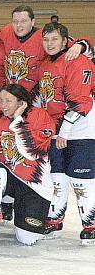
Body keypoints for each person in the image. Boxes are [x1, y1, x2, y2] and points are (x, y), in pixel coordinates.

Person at [34, 23, 95, 244]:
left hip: (80, 131)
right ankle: (55, 218)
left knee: (81, 180)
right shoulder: (45, 65)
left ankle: (90, 223)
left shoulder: (77, 61)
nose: (49, 44)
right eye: (46, 40)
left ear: (65, 40)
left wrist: (64, 132)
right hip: (55, 129)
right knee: (57, 177)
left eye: (54, 39)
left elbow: (80, 102)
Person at [0, 84, 55, 249]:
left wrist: (17, 120)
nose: (3, 105)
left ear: (22, 103)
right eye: (0, 100)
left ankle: (17, 206)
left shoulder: (40, 116)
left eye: (8, 101)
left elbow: (32, 152)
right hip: (8, 177)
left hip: (33, 183)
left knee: (27, 238)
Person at [0, 5, 87, 92]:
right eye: (15, 21)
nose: (18, 25)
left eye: (23, 21)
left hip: (35, 95)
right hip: (11, 95)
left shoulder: (44, 36)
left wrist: (78, 46)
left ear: (33, 22)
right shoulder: (6, 32)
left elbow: (71, 41)